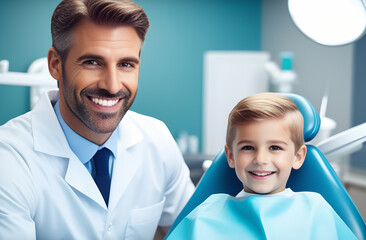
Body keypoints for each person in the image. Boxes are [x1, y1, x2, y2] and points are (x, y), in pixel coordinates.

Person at [0, 0, 195, 239]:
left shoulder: (157, 139)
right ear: (55, 65)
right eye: (92, 62)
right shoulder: (9, 157)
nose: (112, 86)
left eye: (126, 64)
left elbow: (191, 230)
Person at [167, 92, 357, 239]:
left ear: (298, 157)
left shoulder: (317, 211)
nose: (261, 159)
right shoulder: (203, 216)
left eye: (275, 147)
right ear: (230, 156)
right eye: (248, 147)